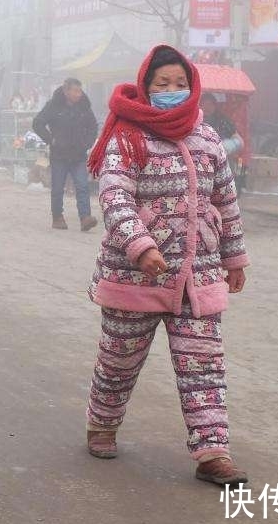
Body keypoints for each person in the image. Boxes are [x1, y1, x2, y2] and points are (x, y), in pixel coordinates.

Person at [82, 44, 250, 487]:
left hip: (198, 276)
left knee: (204, 369)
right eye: (163, 84)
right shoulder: (127, 136)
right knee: (118, 361)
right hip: (134, 275)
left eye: (180, 84)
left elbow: (225, 200)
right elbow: (114, 195)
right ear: (146, 86)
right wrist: (141, 245)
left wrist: (234, 258)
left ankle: (213, 453)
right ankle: (102, 424)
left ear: (193, 87)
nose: (172, 91)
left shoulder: (207, 136)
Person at [32, 77, 101, 231]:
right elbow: (37, 123)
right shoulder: (53, 106)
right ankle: (57, 217)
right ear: (66, 91)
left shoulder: (84, 107)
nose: (78, 94)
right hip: (59, 156)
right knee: (57, 188)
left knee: (82, 186)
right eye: (75, 91)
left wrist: (87, 143)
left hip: (78, 155)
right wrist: (51, 140)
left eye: (80, 90)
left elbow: (93, 126)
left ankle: (85, 218)